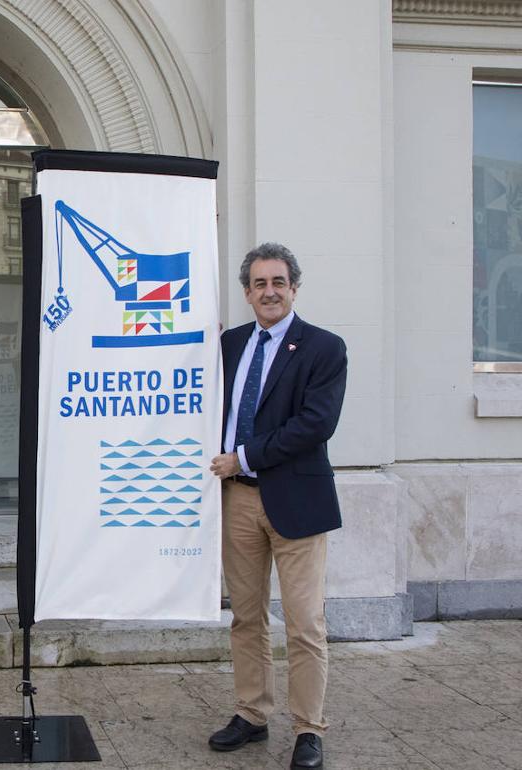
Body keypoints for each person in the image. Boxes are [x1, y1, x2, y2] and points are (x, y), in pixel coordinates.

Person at [208, 243, 347, 769]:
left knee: (304, 622)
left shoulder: (323, 348)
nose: (270, 291)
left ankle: (309, 729)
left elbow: (315, 424)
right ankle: (251, 714)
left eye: (279, 282)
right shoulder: (230, 344)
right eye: (260, 283)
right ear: (247, 292)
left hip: (296, 502)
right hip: (237, 502)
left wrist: (241, 455)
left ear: (294, 288)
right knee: (245, 617)